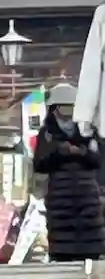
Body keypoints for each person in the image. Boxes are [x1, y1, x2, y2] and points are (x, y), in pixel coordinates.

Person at [32, 81, 105, 263]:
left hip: (87, 199)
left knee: (90, 244)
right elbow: (39, 163)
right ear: (54, 109)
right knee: (62, 245)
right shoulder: (47, 133)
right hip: (60, 200)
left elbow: (99, 160)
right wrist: (59, 152)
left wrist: (81, 152)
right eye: (63, 107)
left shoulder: (88, 131)